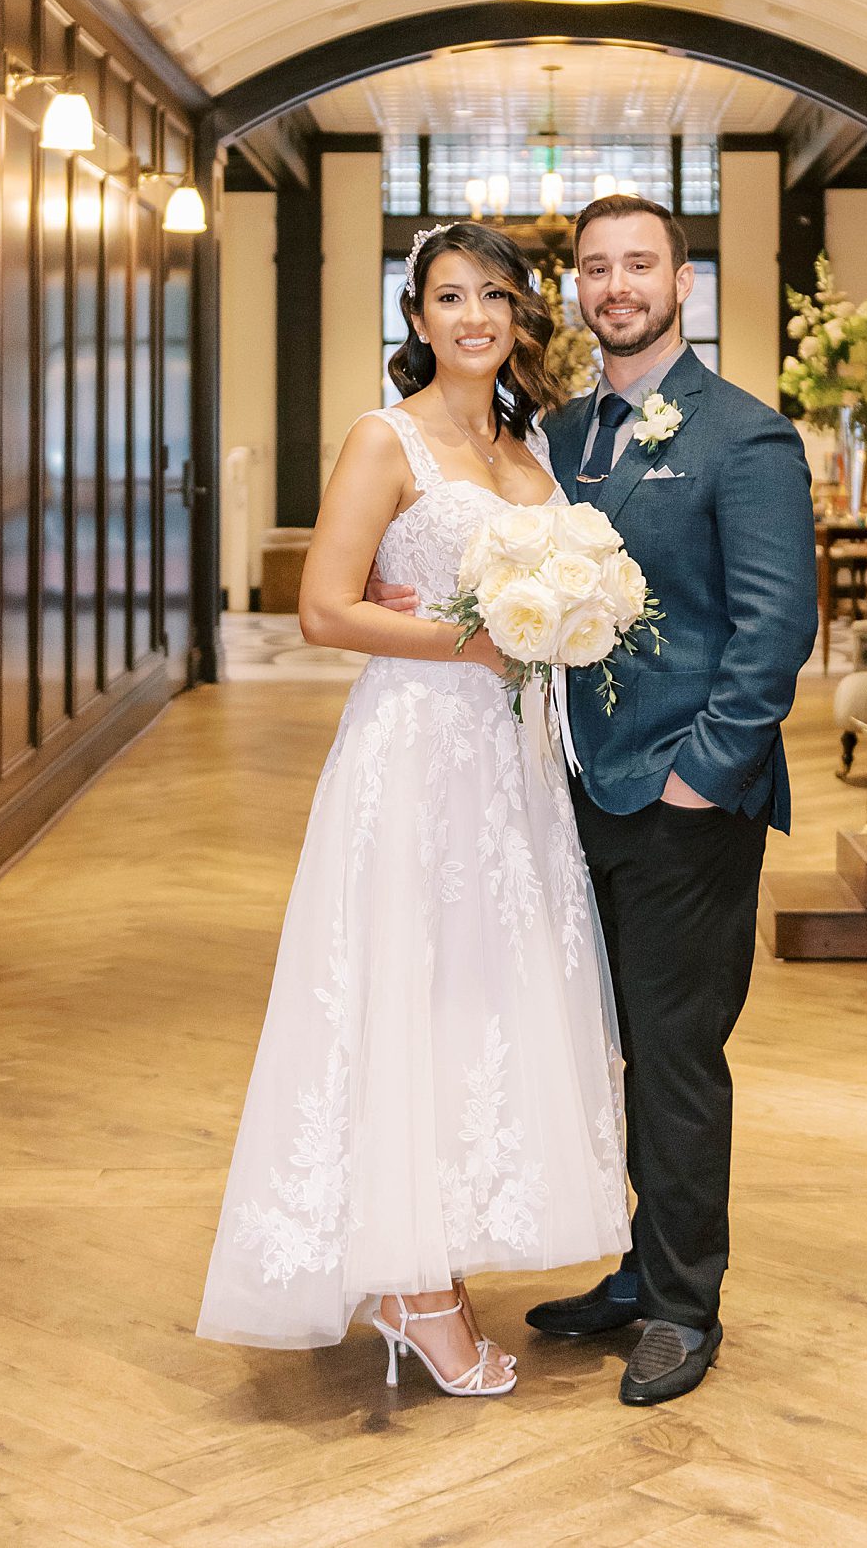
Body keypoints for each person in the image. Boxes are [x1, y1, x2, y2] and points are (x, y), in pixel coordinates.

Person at [196, 221, 628, 1398]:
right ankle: (416, 1291)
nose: (474, 316)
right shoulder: (383, 440)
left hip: (515, 762)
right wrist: (470, 640)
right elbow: (324, 611)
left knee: (481, 1000)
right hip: (418, 749)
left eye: (495, 295)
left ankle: (422, 1257)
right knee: (409, 992)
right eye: (449, 297)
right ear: (418, 317)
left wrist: (564, 629)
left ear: (520, 314)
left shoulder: (533, 438)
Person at [524, 192, 818, 1405]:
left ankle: (686, 1309)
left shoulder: (742, 436)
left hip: (685, 801)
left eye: (639, 263)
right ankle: (640, 1271)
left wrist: (706, 776)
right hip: (569, 793)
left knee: (680, 1056)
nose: (616, 285)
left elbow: (775, 630)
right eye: (596, 268)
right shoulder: (557, 432)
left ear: (683, 282)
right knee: (615, 1046)